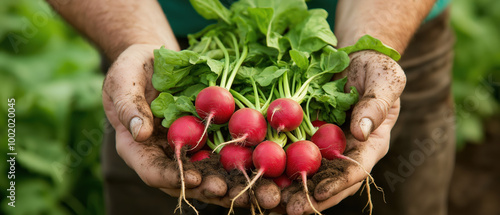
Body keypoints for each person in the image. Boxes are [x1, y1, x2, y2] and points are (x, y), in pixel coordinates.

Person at [47, 0, 455, 214]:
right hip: (158, 40)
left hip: (386, 29)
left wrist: (370, 43)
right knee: (158, 169)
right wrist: (136, 41)